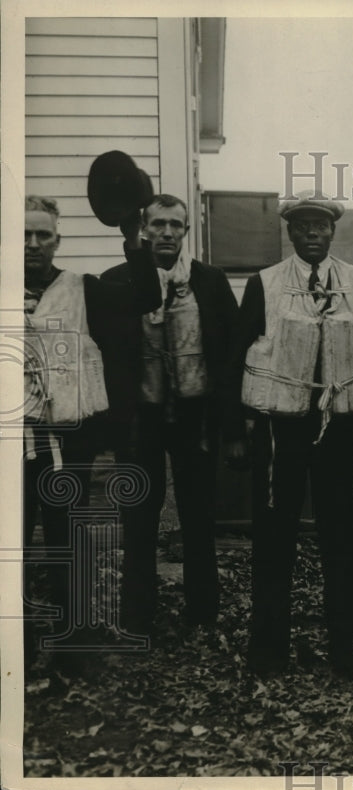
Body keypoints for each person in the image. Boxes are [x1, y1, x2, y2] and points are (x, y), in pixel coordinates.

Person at [229, 191, 353, 678]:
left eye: (321, 225)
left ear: (333, 231)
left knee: (342, 539)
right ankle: (268, 655)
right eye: (303, 226)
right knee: (274, 540)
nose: (313, 233)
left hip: (338, 430)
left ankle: (349, 655)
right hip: (281, 431)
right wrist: (235, 429)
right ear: (289, 232)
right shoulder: (265, 283)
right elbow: (234, 357)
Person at [23, 195, 160, 669]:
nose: (33, 244)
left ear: (57, 241)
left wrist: (132, 237)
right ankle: (13, 649)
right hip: (6, 447)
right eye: (23, 234)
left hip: (64, 443)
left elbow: (146, 297)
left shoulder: (81, 289)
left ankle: (73, 646)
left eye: (43, 235)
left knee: (67, 542)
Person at [101, 194, 240, 642]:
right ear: (143, 229)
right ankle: (139, 617)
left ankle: (202, 613)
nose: (166, 233)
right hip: (141, 418)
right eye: (157, 224)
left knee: (199, 517)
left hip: (195, 417)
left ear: (185, 231)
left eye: (175, 225)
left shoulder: (211, 282)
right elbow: (105, 357)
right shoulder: (118, 281)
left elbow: (230, 358)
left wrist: (233, 427)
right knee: (139, 517)